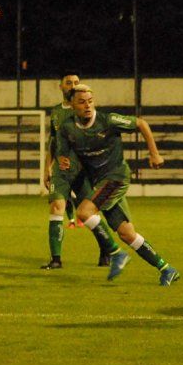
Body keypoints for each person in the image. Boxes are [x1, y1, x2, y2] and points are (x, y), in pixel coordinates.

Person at [56, 84, 180, 286]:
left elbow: (141, 123)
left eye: (90, 101)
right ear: (71, 105)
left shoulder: (108, 120)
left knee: (84, 212)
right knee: (126, 233)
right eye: (82, 102)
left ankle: (116, 254)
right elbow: (62, 152)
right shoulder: (67, 128)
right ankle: (166, 269)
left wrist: (154, 153)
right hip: (100, 184)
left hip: (116, 177)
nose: (87, 106)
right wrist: (63, 161)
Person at [42, 72, 120, 269]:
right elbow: (53, 142)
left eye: (76, 82)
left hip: (83, 171)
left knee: (89, 214)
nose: (73, 85)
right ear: (61, 87)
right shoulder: (56, 112)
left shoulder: (85, 110)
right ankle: (56, 259)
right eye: (69, 83)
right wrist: (46, 168)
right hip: (61, 171)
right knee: (56, 207)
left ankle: (106, 250)